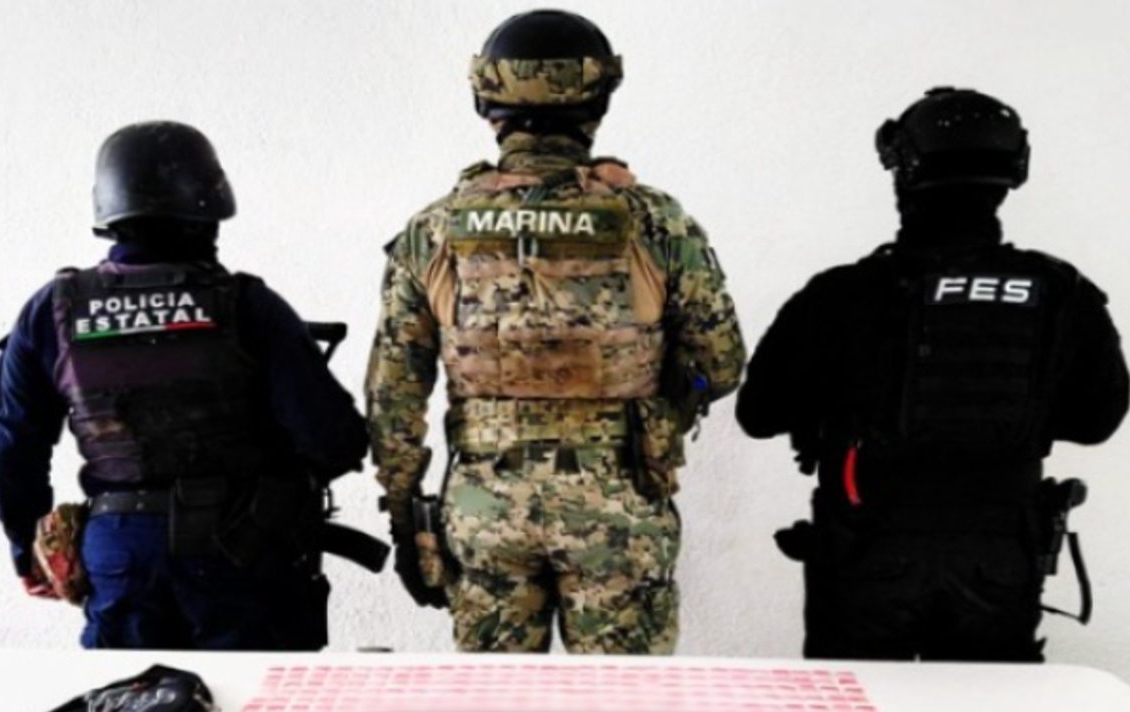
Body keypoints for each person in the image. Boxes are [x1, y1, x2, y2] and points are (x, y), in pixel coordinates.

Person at [366, 9, 745, 654]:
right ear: (598, 101)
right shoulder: (653, 221)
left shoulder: (434, 230)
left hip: (485, 508)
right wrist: (667, 402)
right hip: (619, 506)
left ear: (487, 101)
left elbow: (393, 395)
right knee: (624, 706)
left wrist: (407, 519)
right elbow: (722, 361)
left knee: (497, 706)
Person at [737, 87, 1129, 662]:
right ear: (1012, 171)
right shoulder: (1063, 292)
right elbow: (1096, 422)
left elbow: (758, 415)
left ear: (904, 170)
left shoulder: (842, 294)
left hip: (867, 549)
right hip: (999, 556)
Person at [0, 121, 370, 650]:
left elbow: (11, 446)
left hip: (120, 550)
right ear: (210, 210)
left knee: (126, 697)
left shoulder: (52, 310)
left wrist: (27, 549)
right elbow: (334, 439)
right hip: (243, 546)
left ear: (109, 214)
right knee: (258, 700)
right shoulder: (248, 305)